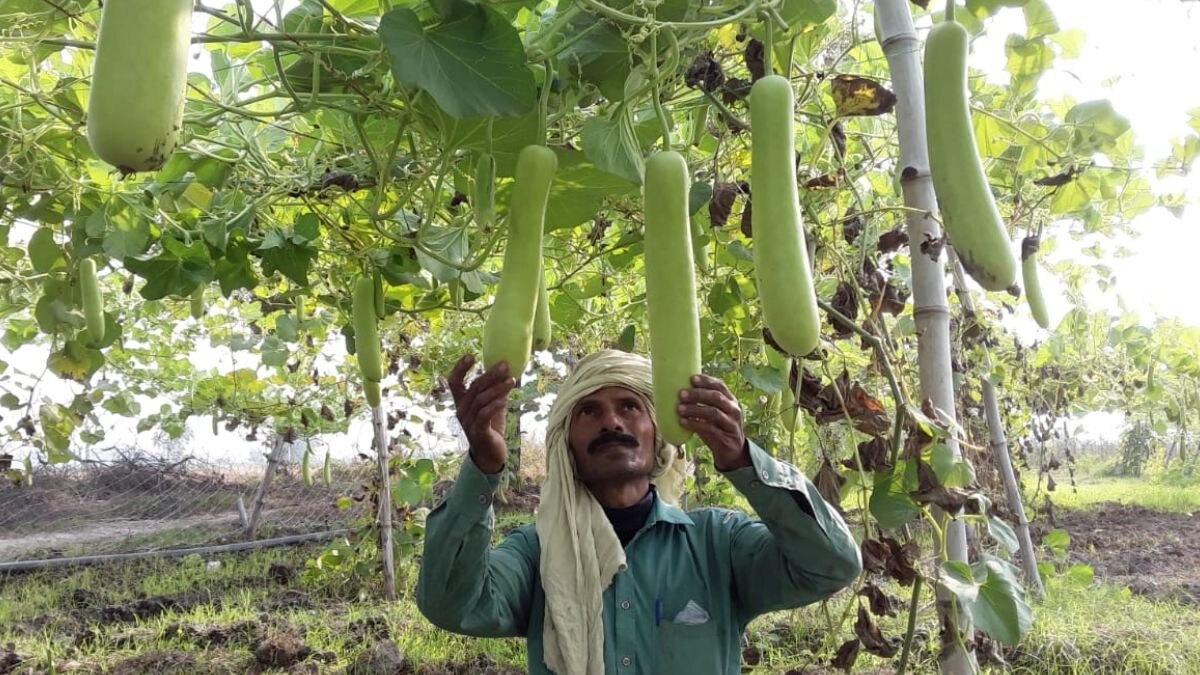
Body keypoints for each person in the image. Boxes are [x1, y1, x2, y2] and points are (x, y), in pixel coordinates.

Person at [416, 349, 861, 675]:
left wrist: (744, 460)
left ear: (658, 435)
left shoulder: (718, 543)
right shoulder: (537, 553)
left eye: (629, 406)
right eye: (589, 411)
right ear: (567, 446)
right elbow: (450, 605)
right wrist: (483, 466)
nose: (612, 422)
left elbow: (833, 565)